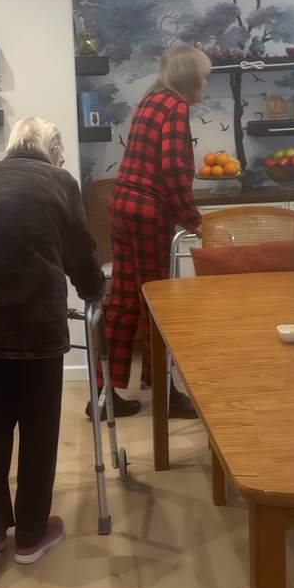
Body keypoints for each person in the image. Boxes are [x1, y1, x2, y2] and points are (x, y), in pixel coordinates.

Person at [0, 117, 105, 564]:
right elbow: (79, 252)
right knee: (38, 429)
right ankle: (30, 535)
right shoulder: (60, 181)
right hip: (36, 323)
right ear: (54, 151)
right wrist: (93, 291)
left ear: (12, 146)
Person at [94, 45, 211, 420]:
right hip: (147, 212)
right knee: (158, 302)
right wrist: (193, 219)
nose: (206, 84)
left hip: (123, 205)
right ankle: (164, 393)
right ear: (191, 79)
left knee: (126, 300)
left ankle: (103, 395)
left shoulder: (150, 100)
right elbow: (174, 169)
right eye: (204, 77)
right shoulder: (175, 107)